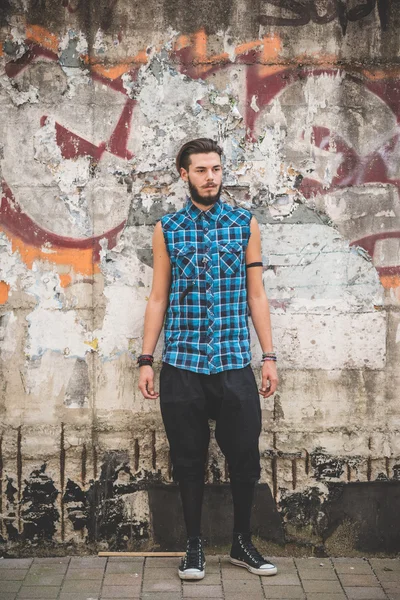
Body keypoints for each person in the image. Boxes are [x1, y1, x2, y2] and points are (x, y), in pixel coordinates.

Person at [138, 138, 278, 580]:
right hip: (182, 364)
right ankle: (194, 547)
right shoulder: (168, 229)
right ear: (184, 174)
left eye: (216, 168)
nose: (210, 177)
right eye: (200, 170)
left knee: (244, 459)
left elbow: (256, 294)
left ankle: (241, 543)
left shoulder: (244, 224)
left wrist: (269, 356)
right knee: (188, 459)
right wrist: (146, 358)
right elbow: (158, 297)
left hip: (235, 361)